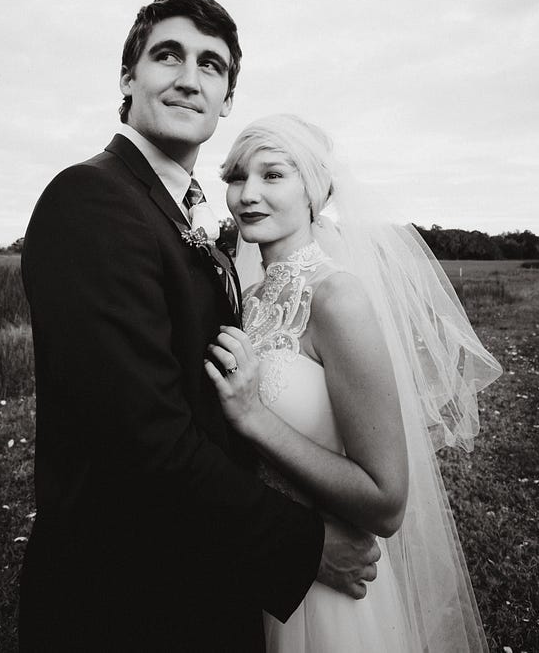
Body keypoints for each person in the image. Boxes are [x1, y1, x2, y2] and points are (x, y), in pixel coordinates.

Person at [18, 0, 380, 652]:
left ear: (226, 98)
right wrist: (305, 543)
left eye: (211, 65)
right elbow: (142, 442)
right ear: (128, 79)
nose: (190, 77)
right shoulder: (91, 199)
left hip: (193, 582)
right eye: (167, 56)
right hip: (126, 606)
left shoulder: (175, 218)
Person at [207, 113, 503, 653]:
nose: (247, 193)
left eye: (273, 175)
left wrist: (254, 417)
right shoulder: (247, 300)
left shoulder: (337, 298)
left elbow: (386, 502)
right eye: (236, 176)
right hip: (266, 566)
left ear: (315, 189)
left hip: (329, 589)